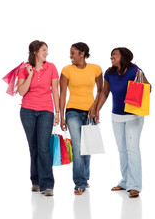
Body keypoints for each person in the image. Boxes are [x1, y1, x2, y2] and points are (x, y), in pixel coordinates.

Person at [95, 47, 151, 198]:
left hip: (134, 116)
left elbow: (149, 89)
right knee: (122, 150)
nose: (111, 57)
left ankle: (135, 185)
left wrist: (141, 79)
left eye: (115, 54)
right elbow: (105, 92)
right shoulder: (109, 73)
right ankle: (125, 181)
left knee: (132, 149)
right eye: (111, 55)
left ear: (124, 56)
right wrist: (97, 109)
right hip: (117, 116)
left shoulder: (135, 70)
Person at [60, 42, 103, 195]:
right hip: (72, 112)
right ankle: (79, 183)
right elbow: (63, 94)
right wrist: (61, 115)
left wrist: (95, 108)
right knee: (78, 146)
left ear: (82, 53)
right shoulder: (66, 70)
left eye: (73, 53)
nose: (70, 56)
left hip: (90, 113)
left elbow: (101, 91)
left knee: (87, 147)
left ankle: (85, 178)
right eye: (70, 53)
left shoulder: (96, 69)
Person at [18, 40, 59, 196]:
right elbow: (21, 92)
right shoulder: (23, 68)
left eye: (46, 50)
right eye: (43, 50)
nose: (46, 53)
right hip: (27, 111)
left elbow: (55, 90)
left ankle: (47, 185)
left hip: (46, 111)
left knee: (43, 148)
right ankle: (35, 181)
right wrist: (29, 75)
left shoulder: (52, 67)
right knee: (33, 147)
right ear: (35, 52)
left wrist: (57, 112)